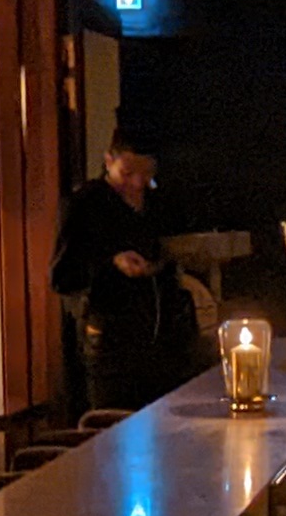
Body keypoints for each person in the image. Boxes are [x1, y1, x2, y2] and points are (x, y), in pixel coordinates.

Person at [50, 124, 198, 413]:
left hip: (164, 346)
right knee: (114, 428)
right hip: (110, 348)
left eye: (147, 174)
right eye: (127, 173)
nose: (137, 183)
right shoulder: (84, 204)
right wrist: (112, 263)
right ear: (109, 161)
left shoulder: (159, 205)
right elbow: (62, 277)